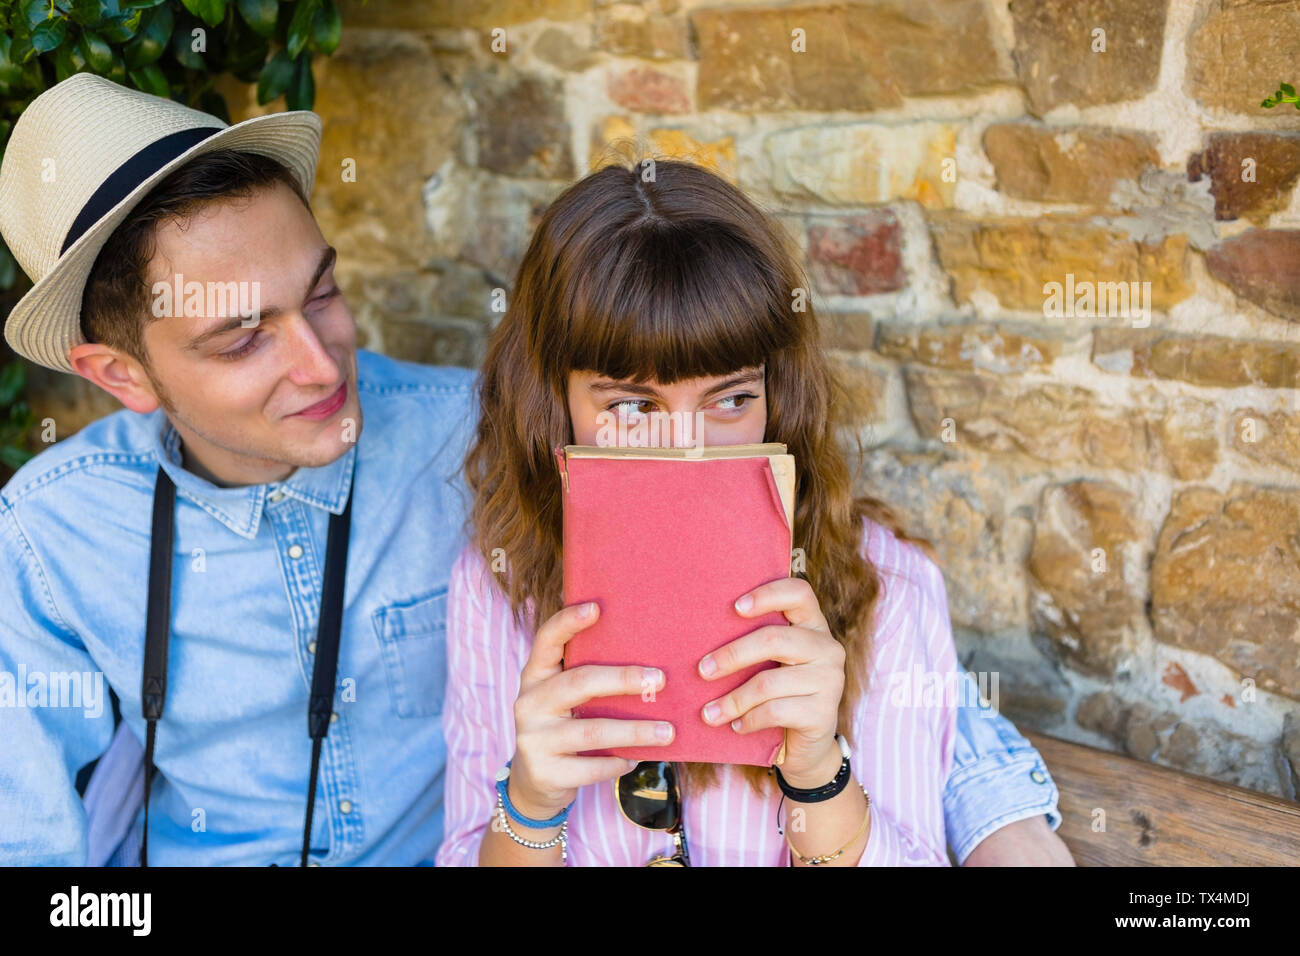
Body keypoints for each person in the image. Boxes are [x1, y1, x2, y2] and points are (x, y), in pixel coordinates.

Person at [436, 158, 1074, 866]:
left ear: (779, 397)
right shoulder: (496, 589)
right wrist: (529, 803)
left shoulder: (887, 588)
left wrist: (817, 777)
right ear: (553, 405)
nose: (687, 450)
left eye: (731, 399)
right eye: (633, 406)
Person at [0, 74, 475, 865]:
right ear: (122, 376)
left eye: (321, 293)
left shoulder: (479, 437)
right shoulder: (49, 531)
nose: (322, 368)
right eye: (242, 340)